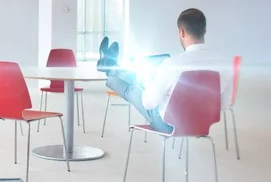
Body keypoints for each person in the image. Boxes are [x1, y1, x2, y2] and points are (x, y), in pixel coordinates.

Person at [97, 8, 232, 133]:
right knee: (144, 81)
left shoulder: (173, 65)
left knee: (132, 89)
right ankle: (111, 66)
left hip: (168, 125)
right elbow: (225, 105)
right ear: (204, 30)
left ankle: (110, 68)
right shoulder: (224, 65)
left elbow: (148, 103)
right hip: (203, 125)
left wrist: (151, 88)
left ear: (181, 32)